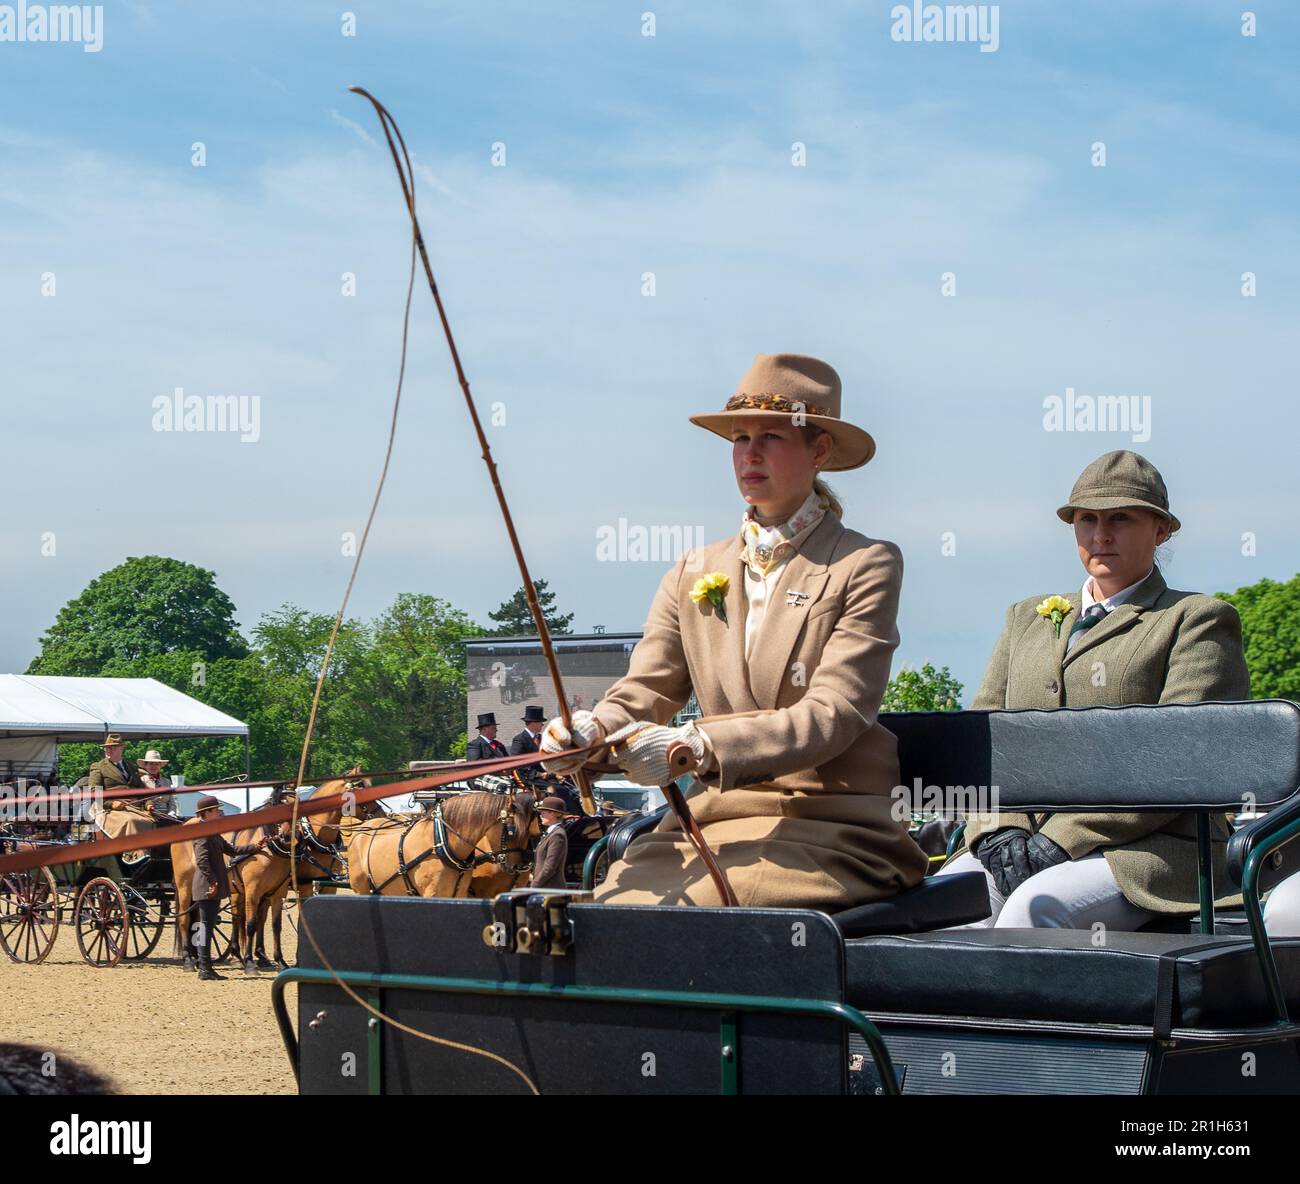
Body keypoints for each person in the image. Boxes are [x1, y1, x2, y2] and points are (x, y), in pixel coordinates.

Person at [541, 352, 928, 909]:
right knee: (612, 903)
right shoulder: (693, 571)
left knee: (712, 911)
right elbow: (647, 691)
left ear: (819, 450)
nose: (749, 454)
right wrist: (589, 731)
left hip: (832, 824)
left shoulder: (864, 563)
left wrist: (698, 745)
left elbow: (837, 712)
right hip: (713, 819)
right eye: (739, 438)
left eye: (771, 436)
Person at [939, 450, 1251, 929]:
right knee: (939, 908)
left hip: (1145, 851)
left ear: (1161, 529)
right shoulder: (1026, 617)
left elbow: (1179, 757)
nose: (1100, 535)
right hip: (1015, 839)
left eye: (1120, 519)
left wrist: (1062, 838)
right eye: (1087, 520)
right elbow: (982, 741)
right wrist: (998, 828)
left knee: (1036, 909)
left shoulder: (1195, 619)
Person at [190, 795, 266, 980]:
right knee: (205, 926)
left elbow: (231, 850)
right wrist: (213, 881)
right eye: (216, 810)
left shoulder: (212, 831)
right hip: (206, 886)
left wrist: (254, 847)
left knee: (207, 925)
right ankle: (205, 968)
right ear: (206, 813)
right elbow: (202, 861)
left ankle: (204, 966)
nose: (219, 812)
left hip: (210, 885)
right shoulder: (202, 832)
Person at [87, 734, 152, 864]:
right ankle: (134, 857)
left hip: (134, 807)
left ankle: (152, 854)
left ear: (121, 749)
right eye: (107, 748)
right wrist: (111, 803)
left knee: (156, 821)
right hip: (108, 809)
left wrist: (149, 803)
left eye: (112, 748)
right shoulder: (98, 767)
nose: (108, 750)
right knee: (131, 821)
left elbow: (142, 789)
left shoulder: (131, 767)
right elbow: (94, 792)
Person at [530, 796, 570, 889]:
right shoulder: (551, 832)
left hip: (551, 889)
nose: (541, 816)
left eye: (543, 813)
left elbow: (550, 868)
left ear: (553, 814)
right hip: (545, 887)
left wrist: (534, 885)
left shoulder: (557, 835)